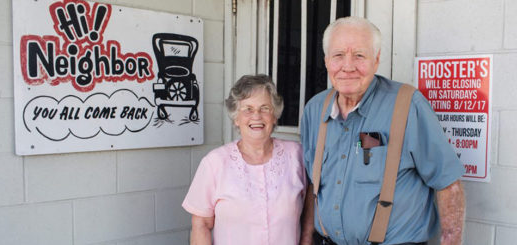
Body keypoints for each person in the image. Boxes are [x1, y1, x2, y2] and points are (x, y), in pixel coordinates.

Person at [300, 16, 465, 245]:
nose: (348, 66)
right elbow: (313, 185)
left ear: (376, 60)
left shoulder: (408, 106)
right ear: (327, 60)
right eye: (338, 55)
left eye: (359, 55)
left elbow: (448, 184)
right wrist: (306, 237)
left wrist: (451, 240)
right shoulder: (315, 110)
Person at [182, 74, 308, 245]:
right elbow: (201, 224)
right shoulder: (215, 163)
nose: (256, 116)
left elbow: (311, 204)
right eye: (248, 109)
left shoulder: (296, 155)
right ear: (236, 118)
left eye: (265, 108)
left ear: (275, 116)